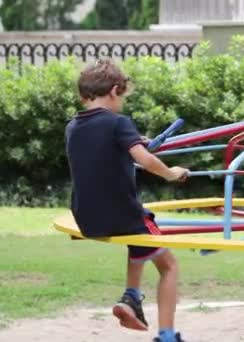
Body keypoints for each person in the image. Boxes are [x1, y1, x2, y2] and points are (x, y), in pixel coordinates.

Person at [65, 59, 189, 342]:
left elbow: (102, 154)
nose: (121, 102)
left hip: (87, 218)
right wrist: (171, 173)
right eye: (121, 95)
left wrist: (132, 140)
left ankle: (131, 296)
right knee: (168, 265)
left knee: (140, 230)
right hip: (121, 215)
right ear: (113, 90)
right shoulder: (118, 123)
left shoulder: (72, 126)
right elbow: (144, 160)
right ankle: (167, 336)